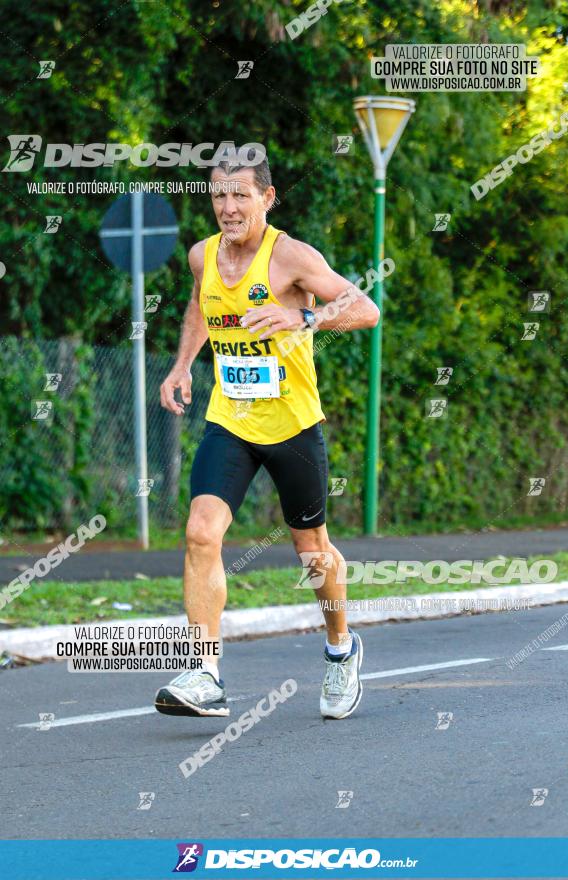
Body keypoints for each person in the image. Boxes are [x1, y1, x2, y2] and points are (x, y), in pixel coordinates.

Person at [155, 153, 379, 721]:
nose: (228, 208)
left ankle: (339, 648)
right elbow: (200, 309)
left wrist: (306, 320)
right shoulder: (203, 255)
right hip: (230, 419)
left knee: (311, 552)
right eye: (219, 196)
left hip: (293, 426)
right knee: (201, 531)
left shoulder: (292, 258)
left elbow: (364, 308)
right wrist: (183, 364)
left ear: (267, 198)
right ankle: (205, 672)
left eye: (241, 196)